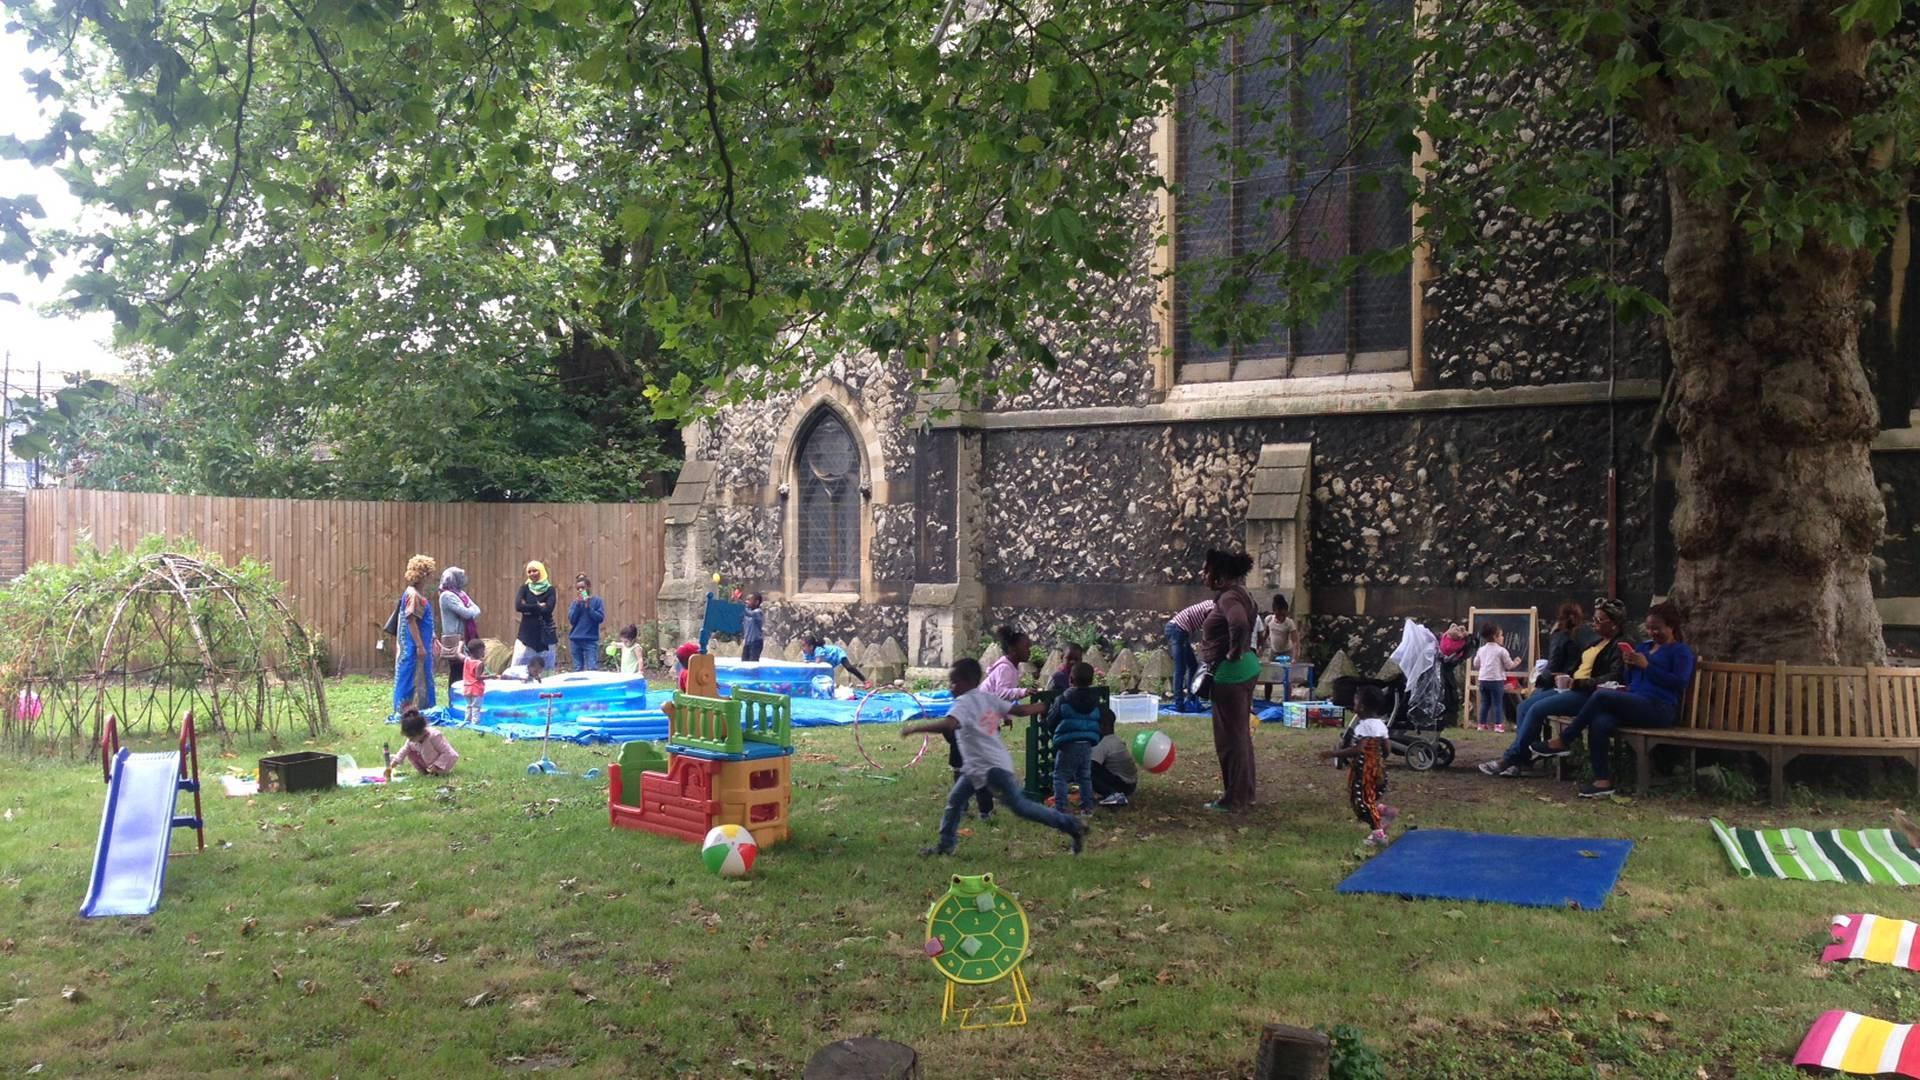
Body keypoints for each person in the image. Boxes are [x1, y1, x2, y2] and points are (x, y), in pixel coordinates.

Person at [900, 657, 1086, 857]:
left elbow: (949, 725)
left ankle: (1072, 825)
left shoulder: (963, 702)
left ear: (967, 682)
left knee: (1021, 807)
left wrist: (916, 728)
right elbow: (1019, 710)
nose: (951, 687)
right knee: (955, 801)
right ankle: (945, 846)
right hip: (981, 767)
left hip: (989, 768)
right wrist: (1043, 706)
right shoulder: (987, 698)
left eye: (954, 682)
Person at [1531, 600, 1698, 798]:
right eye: (1649, 628)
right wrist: (1630, 665)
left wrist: (1648, 667)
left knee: (1601, 695)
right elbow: (1631, 680)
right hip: (1635, 701)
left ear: (1671, 627)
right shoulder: (1644, 648)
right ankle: (1602, 781)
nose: (1653, 633)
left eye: (1657, 629)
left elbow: (1679, 683)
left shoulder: (1681, 652)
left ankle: (1565, 739)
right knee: (1600, 720)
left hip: (1660, 708)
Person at [1479, 598, 1629, 777]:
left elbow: (1614, 677)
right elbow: (1580, 665)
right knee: (1524, 706)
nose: (1594, 624)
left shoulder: (1618, 646)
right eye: (1593, 620)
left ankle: (1510, 758)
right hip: (1572, 686)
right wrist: (1568, 677)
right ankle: (1522, 757)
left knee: (1537, 709)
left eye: (1599, 620)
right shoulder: (1597, 641)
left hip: (1588, 693)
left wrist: (1579, 682)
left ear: (1614, 624)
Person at [1197, 548, 1260, 812]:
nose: (1203, 575)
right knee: (1241, 735)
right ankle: (1245, 793)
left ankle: (1234, 799)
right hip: (1246, 668)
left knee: (1229, 740)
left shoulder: (1228, 598)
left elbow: (1239, 623)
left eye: (1207, 570)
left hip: (1230, 674)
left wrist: (1233, 650)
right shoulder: (1242, 593)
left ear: (1220, 577)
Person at [1319, 685, 1398, 846]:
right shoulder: (1381, 725)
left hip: (1365, 772)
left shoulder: (1363, 726)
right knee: (1369, 799)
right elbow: (1387, 748)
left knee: (1361, 804)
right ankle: (1383, 811)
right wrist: (1380, 760)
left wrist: (1334, 754)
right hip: (1379, 770)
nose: (1353, 705)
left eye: (1355, 702)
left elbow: (1358, 749)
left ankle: (1378, 834)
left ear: (1361, 707)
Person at [1045, 661, 1109, 815]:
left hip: (1068, 743)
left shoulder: (1063, 699)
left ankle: (1061, 808)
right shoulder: (1095, 701)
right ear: (1092, 680)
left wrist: (1053, 732)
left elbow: (1052, 720)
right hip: (1087, 743)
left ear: (1070, 679)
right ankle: (1087, 808)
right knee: (1084, 776)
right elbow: (1100, 720)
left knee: (1060, 776)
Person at [391, 554, 438, 713]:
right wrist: (419, 646)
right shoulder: (413, 595)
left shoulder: (416, 594)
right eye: (429, 575)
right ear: (423, 575)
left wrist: (432, 637)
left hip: (419, 644)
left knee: (420, 677)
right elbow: (410, 619)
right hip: (412, 648)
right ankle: (405, 710)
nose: (431, 578)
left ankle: (419, 708)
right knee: (410, 677)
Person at [438, 567, 480, 702]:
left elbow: (477, 610)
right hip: (455, 638)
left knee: (465, 670)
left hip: (465, 637)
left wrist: (470, 610)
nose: (463, 580)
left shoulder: (460, 594)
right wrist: (470, 610)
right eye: (460, 577)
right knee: (457, 671)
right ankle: (454, 701)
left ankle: (463, 700)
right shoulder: (447, 596)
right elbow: (468, 613)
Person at [1164, 599, 1214, 713]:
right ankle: (1179, 705)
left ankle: (1191, 699)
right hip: (1176, 630)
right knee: (1180, 669)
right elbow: (1209, 629)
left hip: (1181, 631)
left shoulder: (1212, 604)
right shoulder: (1213, 609)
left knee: (1193, 666)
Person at [1539, 601, 1599, 690]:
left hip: (1562, 683)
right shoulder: (1587, 633)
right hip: (1579, 681)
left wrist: (1538, 679)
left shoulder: (1561, 636)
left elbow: (1553, 666)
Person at [513, 561, 559, 672]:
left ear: (541, 571)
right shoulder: (524, 588)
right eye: (529, 571)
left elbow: (548, 609)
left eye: (535, 570)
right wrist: (538, 607)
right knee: (518, 663)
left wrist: (528, 608)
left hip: (546, 633)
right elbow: (518, 606)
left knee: (547, 667)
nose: (532, 573)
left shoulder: (550, 589)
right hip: (527, 634)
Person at [1473, 624, 1520, 732]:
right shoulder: (1501, 651)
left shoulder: (1481, 649)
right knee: (1497, 703)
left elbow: (1476, 663)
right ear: (1495, 637)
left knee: (1485, 703)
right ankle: (1498, 725)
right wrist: (1516, 662)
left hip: (1483, 680)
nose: (1503, 638)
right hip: (1496, 680)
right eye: (1501, 635)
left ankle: (1481, 724)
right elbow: (1509, 666)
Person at [388, 708, 460, 776]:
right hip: (429, 761)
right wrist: (395, 762)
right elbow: (404, 750)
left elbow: (448, 753)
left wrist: (436, 765)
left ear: (421, 732)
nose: (410, 740)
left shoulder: (434, 736)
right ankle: (424, 772)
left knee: (438, 767)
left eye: (412, 737)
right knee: (409, 752)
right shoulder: (412, 741)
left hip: (444, 763)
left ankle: (437, 773)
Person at [1088, 711, 1138, 807]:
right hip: (1131, 784)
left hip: (1122, 785)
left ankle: (1112, 794)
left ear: (1103, 726)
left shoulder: (1102, 744)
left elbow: (1091, 766)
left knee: (1087, 770)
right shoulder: (1116, 740)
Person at [567, 575, 606, 672]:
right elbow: (572, 620)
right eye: (578, 589)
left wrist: (589, 607)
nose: (580, 590)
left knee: (592, 668)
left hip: (590, 640)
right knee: (577, 668)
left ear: (589, 587)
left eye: (582, 588)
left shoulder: (597, 601)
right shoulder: (575, 603)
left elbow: (600, 618)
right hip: (576, 639)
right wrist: (577, 605)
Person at [803, 635, 869, 684]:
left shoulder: (818, 650)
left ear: (811, 647)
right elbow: (806, 665)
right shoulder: (806, 653)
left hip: (837, 654)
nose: (802, 648)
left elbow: (816, 666)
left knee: (848, 667)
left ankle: (865, 681)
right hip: (829, 661)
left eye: (804, 645)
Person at [1263, 594, 1300, 662]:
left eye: (1283, 615)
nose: (1280, 617)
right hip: (1274, 652)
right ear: (1274, 611)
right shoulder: (1269, 619)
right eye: (1278, 615)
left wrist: (1295, 657)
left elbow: (1295, 641)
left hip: (1286, 652)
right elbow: (1266, 634)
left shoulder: (1289, 623)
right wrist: (1261, 646)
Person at [459, 639, 487, 725]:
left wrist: (460, 644)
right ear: (477, 651)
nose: (484, 652)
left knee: (468, 706)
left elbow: (458, 654)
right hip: (476, 689)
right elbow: (478, 677)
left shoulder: (466, 660)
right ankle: (475, 723)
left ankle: (467, 721)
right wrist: (491, 676)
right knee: (476, 707)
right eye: (483, 650)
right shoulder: (479, 663)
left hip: (467, 688)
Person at [740, 594, 766, 662]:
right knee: (744, 662)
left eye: (749, 600)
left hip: (756, 643)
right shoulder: (747, 611)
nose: (746, 601)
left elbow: (749, 614)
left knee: (753, 664)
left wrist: (740, 604)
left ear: (756, 602)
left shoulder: (758, 612)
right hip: (747, 642)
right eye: (746, 600)